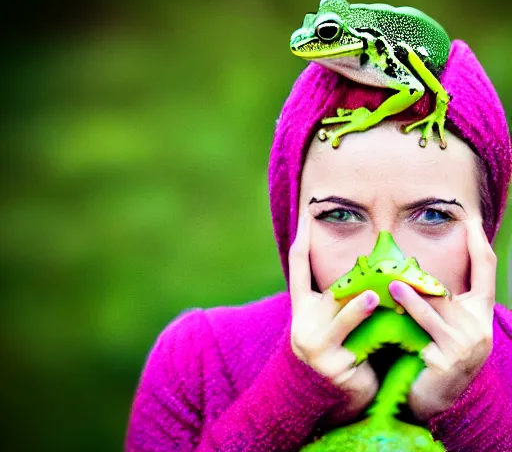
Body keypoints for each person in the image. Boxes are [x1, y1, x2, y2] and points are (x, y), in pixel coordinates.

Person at [125, 39, 512, 451]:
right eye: (340, 215)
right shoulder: (197, 359)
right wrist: (292, 396)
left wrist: (468, 408)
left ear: (484, 226)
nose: (386, 260)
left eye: (434, 215)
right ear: (291, 222)